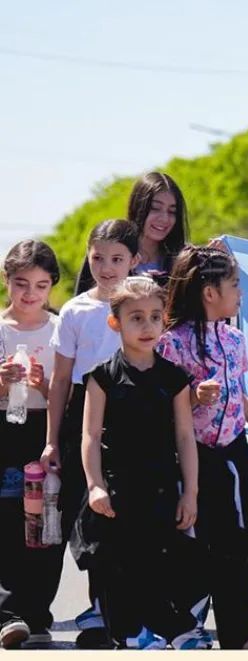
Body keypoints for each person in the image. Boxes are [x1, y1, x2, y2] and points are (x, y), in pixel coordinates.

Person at [158, 247, 248, 649]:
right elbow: (161, 402)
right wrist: (194, 397)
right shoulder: (172, 344)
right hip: (195, 459)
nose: (239, 293)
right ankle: (186, 628)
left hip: (233, 453)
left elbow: (239, 395)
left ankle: (240, 630)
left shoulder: (233, 338)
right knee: (194, 542)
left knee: (239, 542)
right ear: (209, 292)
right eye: (233, 285)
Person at [77, 276, 203, 649]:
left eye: (153, 316)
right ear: (115, 322)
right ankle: (131, 634)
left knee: (159, 564)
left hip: (162, 487)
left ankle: (170, 627)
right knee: (118, 565)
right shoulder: (102, 377)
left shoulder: (174, 378)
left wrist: (190, 493)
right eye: (135, 318)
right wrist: (95, 485)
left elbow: (185, 437)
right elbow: (90, 436)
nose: (146, 326)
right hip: (117, 489)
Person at [41, 219, 140, 649]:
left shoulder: (147, 302)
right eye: (97, 257)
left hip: (135, 411)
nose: (106, 267)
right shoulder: (76, 311)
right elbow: (61, 380)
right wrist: (51, 439)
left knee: (128, 514)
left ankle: (130, 613)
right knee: (87, 513)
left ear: (135, 260)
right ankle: (97, 608)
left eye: (117, 259)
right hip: (84, 414)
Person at [0, 241, 60, 648]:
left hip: (44, 432)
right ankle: (9, 611)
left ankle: (37, 608)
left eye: (40, 285)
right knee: (6, 519)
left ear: (52, 286)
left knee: (43, 522)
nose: (29, 294)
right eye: (21, 283)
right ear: (7, 281)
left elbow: (71, 393)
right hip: (5, 430)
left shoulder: (59, 328)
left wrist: (43, 384)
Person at [74, 173, 189, 293]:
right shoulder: (104, 250)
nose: (164, 218)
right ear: (138, 207)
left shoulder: (183, 259)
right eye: (155, 208)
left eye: (172, 212)